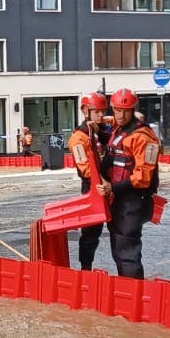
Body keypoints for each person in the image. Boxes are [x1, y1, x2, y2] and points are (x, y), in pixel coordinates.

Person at [106, 88, 162, 278]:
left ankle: (134, 297)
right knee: (119, 249)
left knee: (127, 251)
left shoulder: (144, 137)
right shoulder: (119, 129)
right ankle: (127, 293)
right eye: (117, 110)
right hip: (120, 200)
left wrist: (111, 187)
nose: (120, 116)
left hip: (134, 200)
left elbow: (143, 178)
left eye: (125, 111)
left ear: (132, 111)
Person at [66, 93, 112, 270]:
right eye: (96, 112)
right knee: (91, 230)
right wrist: (102, 182)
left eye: (102, 111)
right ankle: (85, 267)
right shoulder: (79, 137)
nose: (100, 115)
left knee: (99, 229)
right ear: (86, 111)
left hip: (102, 183)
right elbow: (85, 168)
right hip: (91, 186)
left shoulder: (96, 131)